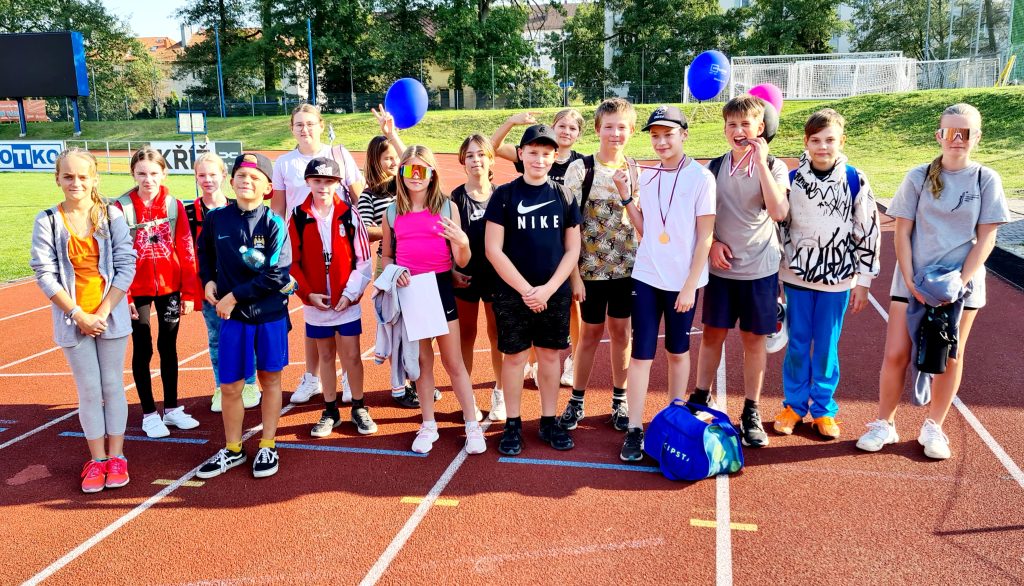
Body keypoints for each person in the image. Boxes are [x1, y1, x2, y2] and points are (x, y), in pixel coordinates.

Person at [856, 103, 1009, 460]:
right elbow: (901, 232)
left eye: (965, 133)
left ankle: (934, 426)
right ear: (939, 135)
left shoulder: (986, 179)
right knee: (896, 353)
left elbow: (987, 238)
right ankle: (884, 423)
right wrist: (911, 280)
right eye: (951, 132)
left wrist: (959, 282)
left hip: (962, 286)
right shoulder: (918, 176)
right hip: (912, 281)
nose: (957, 139)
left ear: (977, 137)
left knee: (950, 355)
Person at [30, 148, 137, 493]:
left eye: (82, 176)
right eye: (68, 176)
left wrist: (102, 312)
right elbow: (45, 273)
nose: (75, 182)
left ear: (94, 179)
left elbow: (126, 265)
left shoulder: (111, 215)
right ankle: (97, 459)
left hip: (109, 318)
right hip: (72, 320)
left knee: (112, 385)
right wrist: (77, 314)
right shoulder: (47, 220)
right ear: (57, 179)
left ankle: (117, 456)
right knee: (89, 389)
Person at [772, 109, 881, 440]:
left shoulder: (854, 179)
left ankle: (823, 409)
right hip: (796, 278)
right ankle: (793, 406)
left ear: (841, 141)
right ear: (806, 142)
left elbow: (868, 230)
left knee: (826, 347)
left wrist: (864, 281)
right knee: (797, 344)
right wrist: (776, 276)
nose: (823, 147)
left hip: (837, 281)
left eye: (830, 140)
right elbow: (779, 228)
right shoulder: (791, 180)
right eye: (816, 140)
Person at [689, 95, 790, 448]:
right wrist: (713, 243)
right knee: (711, 336)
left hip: (760, 268)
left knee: (753, 341)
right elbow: (700, 217)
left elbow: (779, 212)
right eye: (731, 124)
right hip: (721, 270)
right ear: (724, 129)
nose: (738, 130)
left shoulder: (775, 166)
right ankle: (700, 396)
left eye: (746, 124)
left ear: (760, 128)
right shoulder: (714, 167)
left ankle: (751, 410)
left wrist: (760, 164)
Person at [617, 106, 716, 462]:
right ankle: (634, 428)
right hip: (647, 276)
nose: (661, 142)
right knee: (641, 354)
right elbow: (646, 228)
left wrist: (689, 286)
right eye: (655, 136)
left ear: (683, 135)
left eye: (668, 134)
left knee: (677, 351)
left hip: (682, 282)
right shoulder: (649, 176)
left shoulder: (702, 178)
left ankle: (675, 419)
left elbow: (705, 237)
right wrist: (626, 197)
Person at [381, 145, 486, 455]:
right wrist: (394, 272)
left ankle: (471, 424)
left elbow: (462, 260)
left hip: (440, 289)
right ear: (401, 173)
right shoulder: (392, 212)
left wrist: (463, 242)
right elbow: (386, 256)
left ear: (431, 173)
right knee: (422, 363)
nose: (415, 176)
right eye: (409, 169)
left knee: (454, 362)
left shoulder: (447, 207)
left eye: (421, 170)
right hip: (410, 291)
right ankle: (428, 424)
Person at [485, 124, 582, 456]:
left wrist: (548, 290)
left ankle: (548, 420)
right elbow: (493, 249)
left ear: (554, 157)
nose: (539, 159)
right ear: (521, 154)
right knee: (514, 357)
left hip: (553, 293)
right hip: (513, 293)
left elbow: (572, 249)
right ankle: (513, 423)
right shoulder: (504, 195)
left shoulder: (564, 196)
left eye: (546, 154)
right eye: (533, 152)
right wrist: (528, 290)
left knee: (551, 355)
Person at [196, 153, 293, 480]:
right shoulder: (216, 219)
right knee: (230, 386)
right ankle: (234, 448)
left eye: (254, 177)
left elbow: (277, 275)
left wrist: (233, 297)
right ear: (231, 180)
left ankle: (268, 444)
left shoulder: (274, 223)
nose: (246, 181)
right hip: (233, 319)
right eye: (241, 175)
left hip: (268, 316)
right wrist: (208, 279)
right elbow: (205, 254)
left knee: (270, 380)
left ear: (267, 187)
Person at [272, 104, 365, 407]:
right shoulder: (284, 163)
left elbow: (358, 197)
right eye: (299, 124)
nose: (305, 129)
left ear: (321, 125)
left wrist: (359, 230)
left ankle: (348, 378)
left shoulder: (338, 154)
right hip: (304, 242)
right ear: (291, 128)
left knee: (341, 315)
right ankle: (312, 378)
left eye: (310, 123)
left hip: (338, 241)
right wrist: (279, 250)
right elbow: (278, 209)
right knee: (314, 318)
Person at [559, 98, 640, 434]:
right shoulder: (581, 169)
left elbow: (640, 219)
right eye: (609, 127)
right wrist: (574, 276)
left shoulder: (635, 169)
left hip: (626, 270)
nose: (615, 133)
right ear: (597, 129)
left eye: (622, 127)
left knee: (622, 333)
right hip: (590, 272)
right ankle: (576, 399)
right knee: (589, 334)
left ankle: (620, 400)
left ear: (631, 130)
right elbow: (569, 225)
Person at [491, 108, 585, 386]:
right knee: (530, 310)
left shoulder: (580, 164)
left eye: (573, 127)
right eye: (562, 125)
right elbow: (491, 148)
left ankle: (573, 360)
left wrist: (573, 276)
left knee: (572, 310)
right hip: (530, 256)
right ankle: (530, 360)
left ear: (579, 134)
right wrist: (511, 121)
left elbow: (574, 237)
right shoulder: (534, 154)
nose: (566, 131)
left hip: (565, 249)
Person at [288, 157, 376, 437]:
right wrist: (307, 294)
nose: (323, 186)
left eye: (329, 181)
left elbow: (364, 261)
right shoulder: (298, 216)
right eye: (317, 180)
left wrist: (350, 294)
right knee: (325, 355)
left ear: (338, 183)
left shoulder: (350, 214)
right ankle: (330, 410)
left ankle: (359, 407)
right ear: (308, 182)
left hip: (346, 302)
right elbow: (291, 262)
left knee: (352, 356)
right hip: (316, 303)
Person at [358, 107, 439, 409]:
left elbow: (415, 163)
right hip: (389, 265)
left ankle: (419, 379)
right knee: (395, 327)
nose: (394, 163)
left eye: (396, 158)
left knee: (422, 328)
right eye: (387, 158)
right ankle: (399, 386)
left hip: (419, 265)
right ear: (375, 161)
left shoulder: (405, 185)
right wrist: (391, 227)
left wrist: (393, 135)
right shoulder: (370, 194)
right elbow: (365, 230)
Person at [118, 147, 200, 438]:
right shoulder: (121, 208)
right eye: (141, 173)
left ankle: (173, 408)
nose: (148, 179)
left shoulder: (174, 206)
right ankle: (149, 414)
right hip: (136, 289)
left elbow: (186, 249)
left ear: (164, 173)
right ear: (133, 174)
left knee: (168, 346)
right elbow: (116, 255)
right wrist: (125, 295)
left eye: (154, 173)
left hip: (170, 287)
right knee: (143, 348)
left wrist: (189, 292)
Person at [185, 152, 260, 413]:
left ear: (224, 177)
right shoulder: (188, 212)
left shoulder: (239, 206)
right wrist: (206, 281)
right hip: (211, 288)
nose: (207, 180)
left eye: (212, 174)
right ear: (196, 177)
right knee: (217, 339)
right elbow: (196, 252)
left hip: (240, 287)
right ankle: (221, 386)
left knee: (247, 337)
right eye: (202, 175)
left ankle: (250, 384)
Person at [451, 134, 506, 421]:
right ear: (463, 161)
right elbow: (446, 241)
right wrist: (452, 270)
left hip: (497, 278)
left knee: (498, 335)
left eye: (481, 154)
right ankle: (467, 396)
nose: (476, 160)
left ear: (491, 159)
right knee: (466, 335)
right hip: (466, 277)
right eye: (470, 155)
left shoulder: (502, 196)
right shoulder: (455, 199)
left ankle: (500, 393)